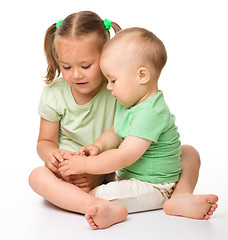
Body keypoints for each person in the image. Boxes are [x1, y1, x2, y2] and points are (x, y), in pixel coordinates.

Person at [28, 11, 218, 230]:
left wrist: (95, 169)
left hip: (112, 168)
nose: (76, 75)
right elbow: (45, 141)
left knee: (188, 151)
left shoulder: (122, 91)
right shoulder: (57, 94)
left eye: (86, 66)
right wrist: (51, 155)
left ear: (106, 59)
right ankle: (93, 204)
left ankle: (179, 195)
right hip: (72, 172)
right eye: (66, 67)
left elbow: (123, 151)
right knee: (37, 176)